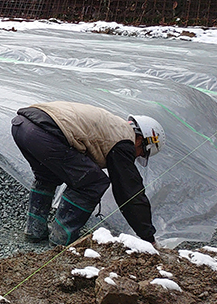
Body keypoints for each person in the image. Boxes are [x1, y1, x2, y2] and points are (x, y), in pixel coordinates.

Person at [10, 101, 165, 246]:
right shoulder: (124, 140)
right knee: (93, 182)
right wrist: (148, 238)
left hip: (22, 125)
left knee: (47, 177)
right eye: (141, 152)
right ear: (141, 140)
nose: (136, 155)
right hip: (45, 132)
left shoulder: (112, 126)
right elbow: (130, 193)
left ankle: (35, 231)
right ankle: (62, 240)